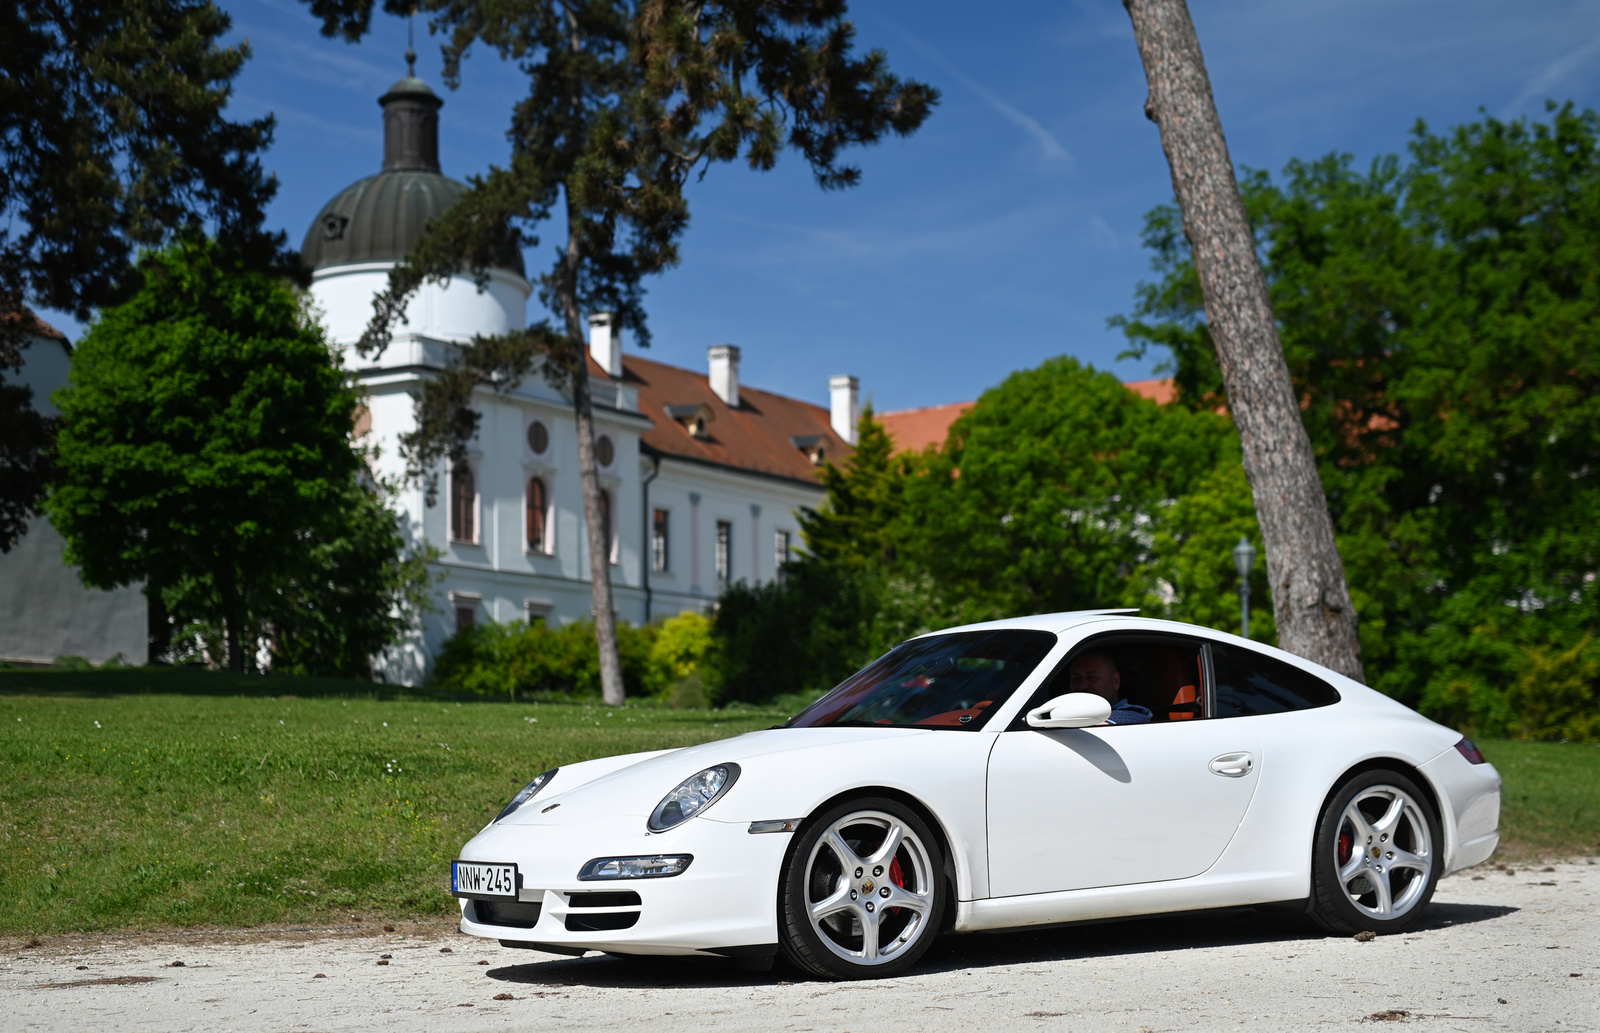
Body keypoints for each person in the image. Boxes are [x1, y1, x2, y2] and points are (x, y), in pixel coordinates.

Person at [1068, 650, 1152, 725]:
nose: (1082, 686)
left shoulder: (1133, 718)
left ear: (1115, 681)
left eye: (1092, 677)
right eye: (1076, 679)